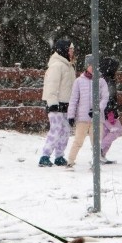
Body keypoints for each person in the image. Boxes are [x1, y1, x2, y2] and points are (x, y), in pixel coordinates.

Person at [65, 55, 109, 168]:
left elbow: (105, 97)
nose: (93, 68)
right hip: (82, 118)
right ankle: (70, 161)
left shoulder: (101, 81)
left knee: (96, 143)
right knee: (78, 141)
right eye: (90, 65)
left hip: (97, 119)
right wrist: (71, 116)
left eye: (95, 65)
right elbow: (73, 99)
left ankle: (96, 163)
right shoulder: (78, 81)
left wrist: (98, 109)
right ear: (86, 66)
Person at [39, 39, 75, 168]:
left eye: (72, 49)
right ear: (64, 49)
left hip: (66, 105)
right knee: (56, 129)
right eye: (70, 49)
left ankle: (59, 156)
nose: (72, 51)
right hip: (55, 105)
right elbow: (51, 86)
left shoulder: (69, 66)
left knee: (65, 130)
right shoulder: (56, 66)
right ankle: (45, 156)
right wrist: (53, 103)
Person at [99, 57, 122, 163]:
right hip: (108, 112)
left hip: (104, 112)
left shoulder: (104, 79)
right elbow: (108, 98)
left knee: (106, 132)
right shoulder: (108, 81)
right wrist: (111, 111)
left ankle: (101, 155)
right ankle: (98, 151)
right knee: (117, 130)